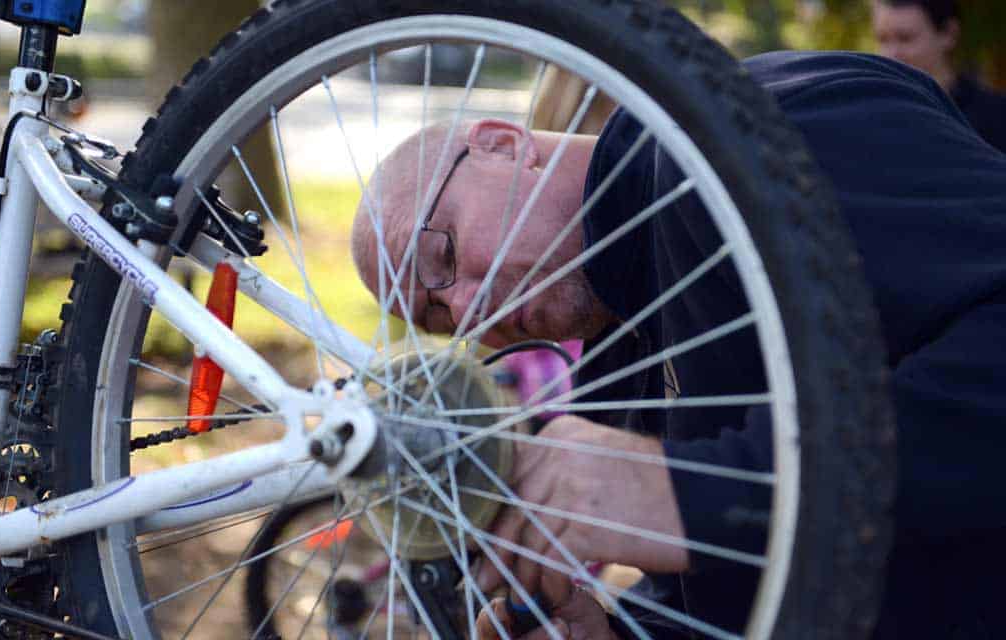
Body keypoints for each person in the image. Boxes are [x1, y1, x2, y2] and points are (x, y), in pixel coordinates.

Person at [351, 50, 1006, 638]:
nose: (467, 307)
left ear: (501, 143)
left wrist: (691, 492)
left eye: (442, 257)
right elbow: (730, 601)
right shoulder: (614, 368)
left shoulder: (757, 132)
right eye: (439, 319)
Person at [873, 0, 1006, 153]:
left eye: (905, 38)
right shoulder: (875, 116)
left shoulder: (997, 117)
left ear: (949, 34)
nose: (891, 54)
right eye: (882, 39)